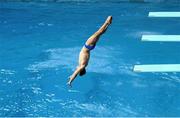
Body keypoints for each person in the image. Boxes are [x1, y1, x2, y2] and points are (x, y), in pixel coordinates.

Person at [67, 16, 112, 87]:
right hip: (87, 46)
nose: (76, 68)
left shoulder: (84, 65)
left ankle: (108, 24)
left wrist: (70, 76)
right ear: (80, 70)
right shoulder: (81, 66)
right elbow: (75, 74)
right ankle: (107, 22)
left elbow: (75, 72)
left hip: (90, 48)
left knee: (100, 34)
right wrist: (70, 81)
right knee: (98, 32)